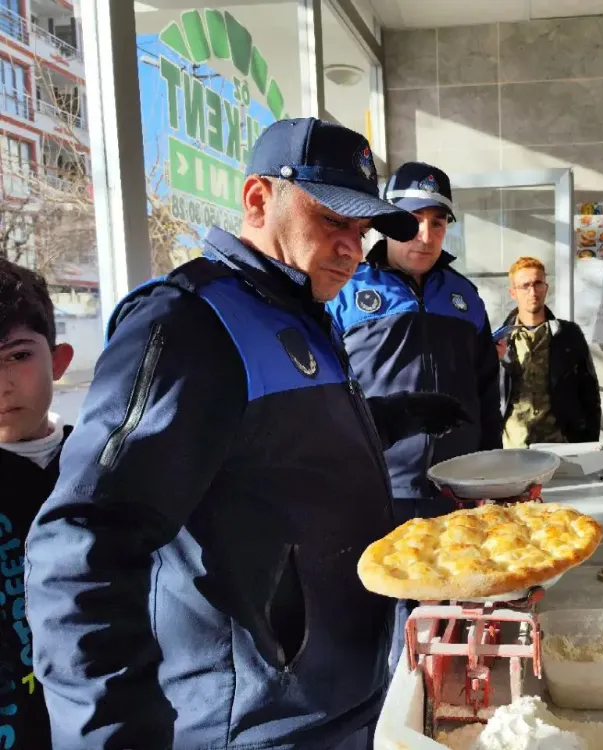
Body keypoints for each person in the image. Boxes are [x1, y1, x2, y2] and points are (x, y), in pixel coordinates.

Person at [25, 119, 469, 750]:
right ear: (259, 200)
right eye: (332, 221)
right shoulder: (189, 322)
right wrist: (112, 735)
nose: (351, 247)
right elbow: (83, 540)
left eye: (361, 230)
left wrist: (399, 415)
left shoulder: (303, 309)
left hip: (348, 696)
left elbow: (279, 449)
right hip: (258, 723)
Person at [328, 161, 502, 672]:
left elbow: (488, 392)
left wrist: (489, 474)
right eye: (413, 220)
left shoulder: (464, 296)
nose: (426, 236)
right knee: (379, 610)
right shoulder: (345, 289)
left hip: (457, 487)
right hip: (377, 484)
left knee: (455, 605)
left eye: (439, 222)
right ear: (386, 221)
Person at [0, 260, 75, 750]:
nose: (3, 384)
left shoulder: (104, 463)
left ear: (59, 359)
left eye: (17, 355)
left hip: (105, 718)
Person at [497, 257, 600, 448]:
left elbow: (589, 393)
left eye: (538, 284)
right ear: (513, 293)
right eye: (525, 286)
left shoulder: (568, 335)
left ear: (546, 287)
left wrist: (588, 443)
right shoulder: (500, 340)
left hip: (559, 444)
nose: (532, 292)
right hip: (513, 447)